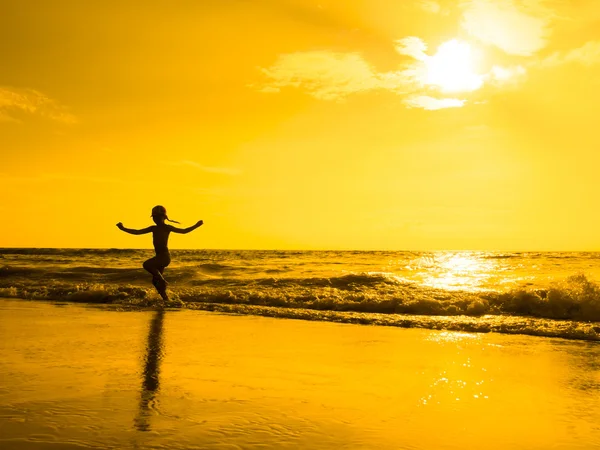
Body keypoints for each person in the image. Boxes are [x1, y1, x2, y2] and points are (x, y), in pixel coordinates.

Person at [116, 205, 203, 301]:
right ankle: (166, 299)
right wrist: (123, 228)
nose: (155, 219)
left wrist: (196, 225)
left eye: (157, 217)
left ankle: (163, 281)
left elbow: (184, 231)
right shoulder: (153, 228)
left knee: (147, 264)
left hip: (164, 257)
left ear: (164, 217)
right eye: (154, 217)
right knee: (155, 281)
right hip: (159, 257)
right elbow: (137, 232)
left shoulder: (167, 227)